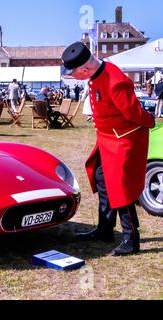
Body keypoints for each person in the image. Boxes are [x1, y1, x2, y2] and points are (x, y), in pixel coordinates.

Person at [61, 42, 156, 256]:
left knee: (121, 188)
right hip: (107, 138)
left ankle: (131, 239)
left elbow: (134, 113)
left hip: (123, 139)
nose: (72, 76)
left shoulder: (115, 81)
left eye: (73, 73)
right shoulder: (95, 76)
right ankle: (105, 229)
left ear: (84, 69)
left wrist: (151, 121)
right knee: (100, 177)